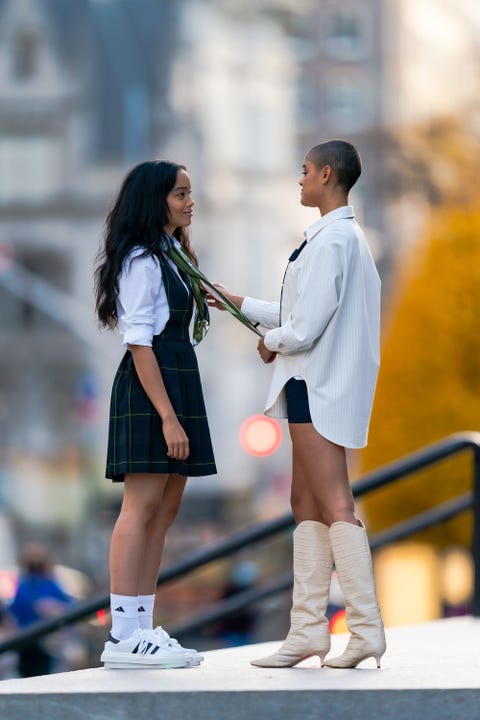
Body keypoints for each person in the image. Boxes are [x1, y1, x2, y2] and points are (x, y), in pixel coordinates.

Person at [209, 140, 386, 669]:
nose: (300, 179)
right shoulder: (336, 238)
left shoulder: (335, 240)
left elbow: (303, 328)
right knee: (304, 506)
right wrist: (240, 304)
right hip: (314, 383)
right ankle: (308, 631)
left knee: (334, 505)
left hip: (319, 385)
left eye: (305, 171)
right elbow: (299, 312)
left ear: (327, 174)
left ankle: (366, 628)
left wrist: (272, 340)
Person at [94, 160, 216, 669]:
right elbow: (139, 342)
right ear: (155, 201)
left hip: (175, 382)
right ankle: (123, 634)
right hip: (153, 388)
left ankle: (141, 627)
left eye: (190, 193)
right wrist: (168, 417)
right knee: (140, 509)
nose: (190, 202)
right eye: (180, 194)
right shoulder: (142, 259)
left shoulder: (172, 255)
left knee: (163, 514)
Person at [9, 543, 73, 677]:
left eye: (37, 556)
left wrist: (54, 606)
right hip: (26, 639)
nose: (34, 560)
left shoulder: (50, 582)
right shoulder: (23, 583)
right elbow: (14, 609)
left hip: (46, 639)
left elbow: (68, 604)